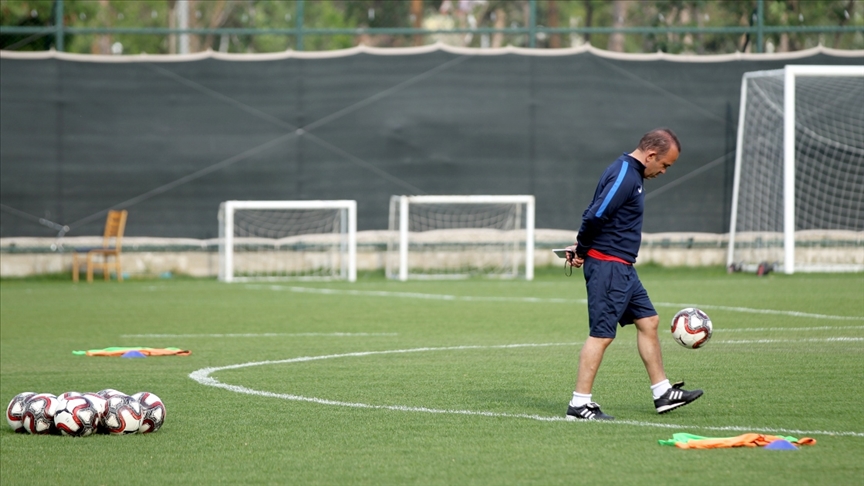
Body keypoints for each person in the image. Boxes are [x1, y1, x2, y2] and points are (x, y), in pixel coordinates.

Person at [563, 128, 702, 421]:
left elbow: (601, 213)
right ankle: (579, 404)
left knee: (649, 321)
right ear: (650, 155)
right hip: (609, 266)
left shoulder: (630, 174)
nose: (664, 171)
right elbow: (595, 214)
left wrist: (581, 246)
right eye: (664, 165)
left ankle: (662, 393)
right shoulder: (626, 175)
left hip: (623, 267)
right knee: (601, 335)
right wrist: (583, 248)